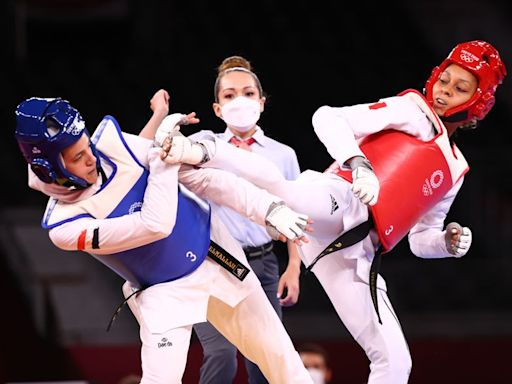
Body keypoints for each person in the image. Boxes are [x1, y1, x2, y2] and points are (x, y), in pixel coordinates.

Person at [160, 40, 507, 384]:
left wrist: (446, 242)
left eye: (460, 88)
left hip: (356, 252)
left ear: (478, 102)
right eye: (445, 79)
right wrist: (359, 165)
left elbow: (419, 240)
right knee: (283, 190)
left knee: (395, 362)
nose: (445, 91)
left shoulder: (456, 170)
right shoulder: (412, 111)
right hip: (340, 198)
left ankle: (197, 156)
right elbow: (327, 117)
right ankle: (198, 149)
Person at [13, 90, 316, 384]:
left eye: (87, 146)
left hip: (215, 253)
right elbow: (155, 225)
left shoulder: (115, 147)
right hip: (162, 292)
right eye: (78, 157)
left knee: (283, 362)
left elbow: (205, 179)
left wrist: (269, 209)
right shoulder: (65, 226)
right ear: (48, 168)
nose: (91, 158)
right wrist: (161, 159)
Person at [187, 55, 303, 384]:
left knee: (265, 362)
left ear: (262, 103)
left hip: (263, 265)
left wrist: (293, 268)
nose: (240, 100)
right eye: (229, 95)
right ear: (217, 108)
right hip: (213, 263)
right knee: (222, 356)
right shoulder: (204, 148)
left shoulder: (283, 154)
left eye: (248, 93)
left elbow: (294, 213)